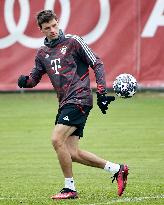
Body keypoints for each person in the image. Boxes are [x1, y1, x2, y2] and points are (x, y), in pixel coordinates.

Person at [18, 10, 129, 200]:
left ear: (57, 22)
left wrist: (102, 92)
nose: (52, 30)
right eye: (47, 28)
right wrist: (25, 81)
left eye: (54, 25)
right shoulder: (42, 53)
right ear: (41, 30)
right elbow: (34, 78)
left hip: (80, 98)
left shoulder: (73, 42)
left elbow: (97, 63)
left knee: (56, 139)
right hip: (65, 103)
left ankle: (69, 188)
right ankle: (117, 169)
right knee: (72, 153)